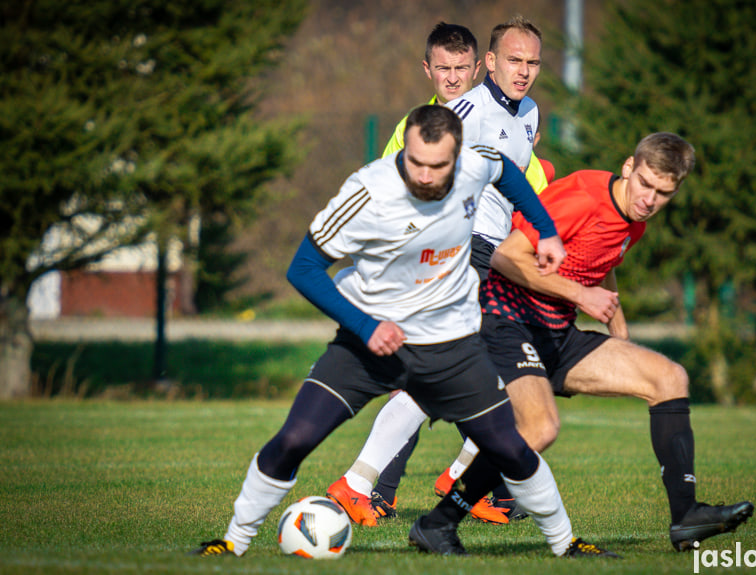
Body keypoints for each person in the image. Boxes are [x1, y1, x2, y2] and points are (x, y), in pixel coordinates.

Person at [190, 105, 614, 559]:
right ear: (405, 149)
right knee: (294, 439)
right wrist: (365, 325)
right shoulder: (368, 192)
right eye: (416, 163)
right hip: (368, 343)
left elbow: (508, 171)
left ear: (458, 156)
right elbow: (304, 268)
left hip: (449, 347)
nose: (426, 175)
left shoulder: (475, 163)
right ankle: (232, 542)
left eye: (438, 166)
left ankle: (566, 544)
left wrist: (546, 231)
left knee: (511, 448)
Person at [424, 131, 755, 553]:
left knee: (669, 378)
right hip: (505, 321)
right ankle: (439, 523)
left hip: (556, 331)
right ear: (628, 168)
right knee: (539, 428)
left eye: (663, 193)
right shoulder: (583, 196)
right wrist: (582, 296)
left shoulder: (635, 221)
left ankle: (687, 516)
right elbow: (507, 257)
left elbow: (602, 261)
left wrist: (620, 335)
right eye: (645, 184)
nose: (650, 200)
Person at [328, 17, 547, 526]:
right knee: (449, 374)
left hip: (495, 253)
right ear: (490, 64)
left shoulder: (529, 114)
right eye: (514, 60)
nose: (524, 71)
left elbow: (517, 181)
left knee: (488, 375)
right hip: (459, 250)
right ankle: (367, 484)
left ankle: (443, 476)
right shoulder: (458, 113)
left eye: (532, 62)